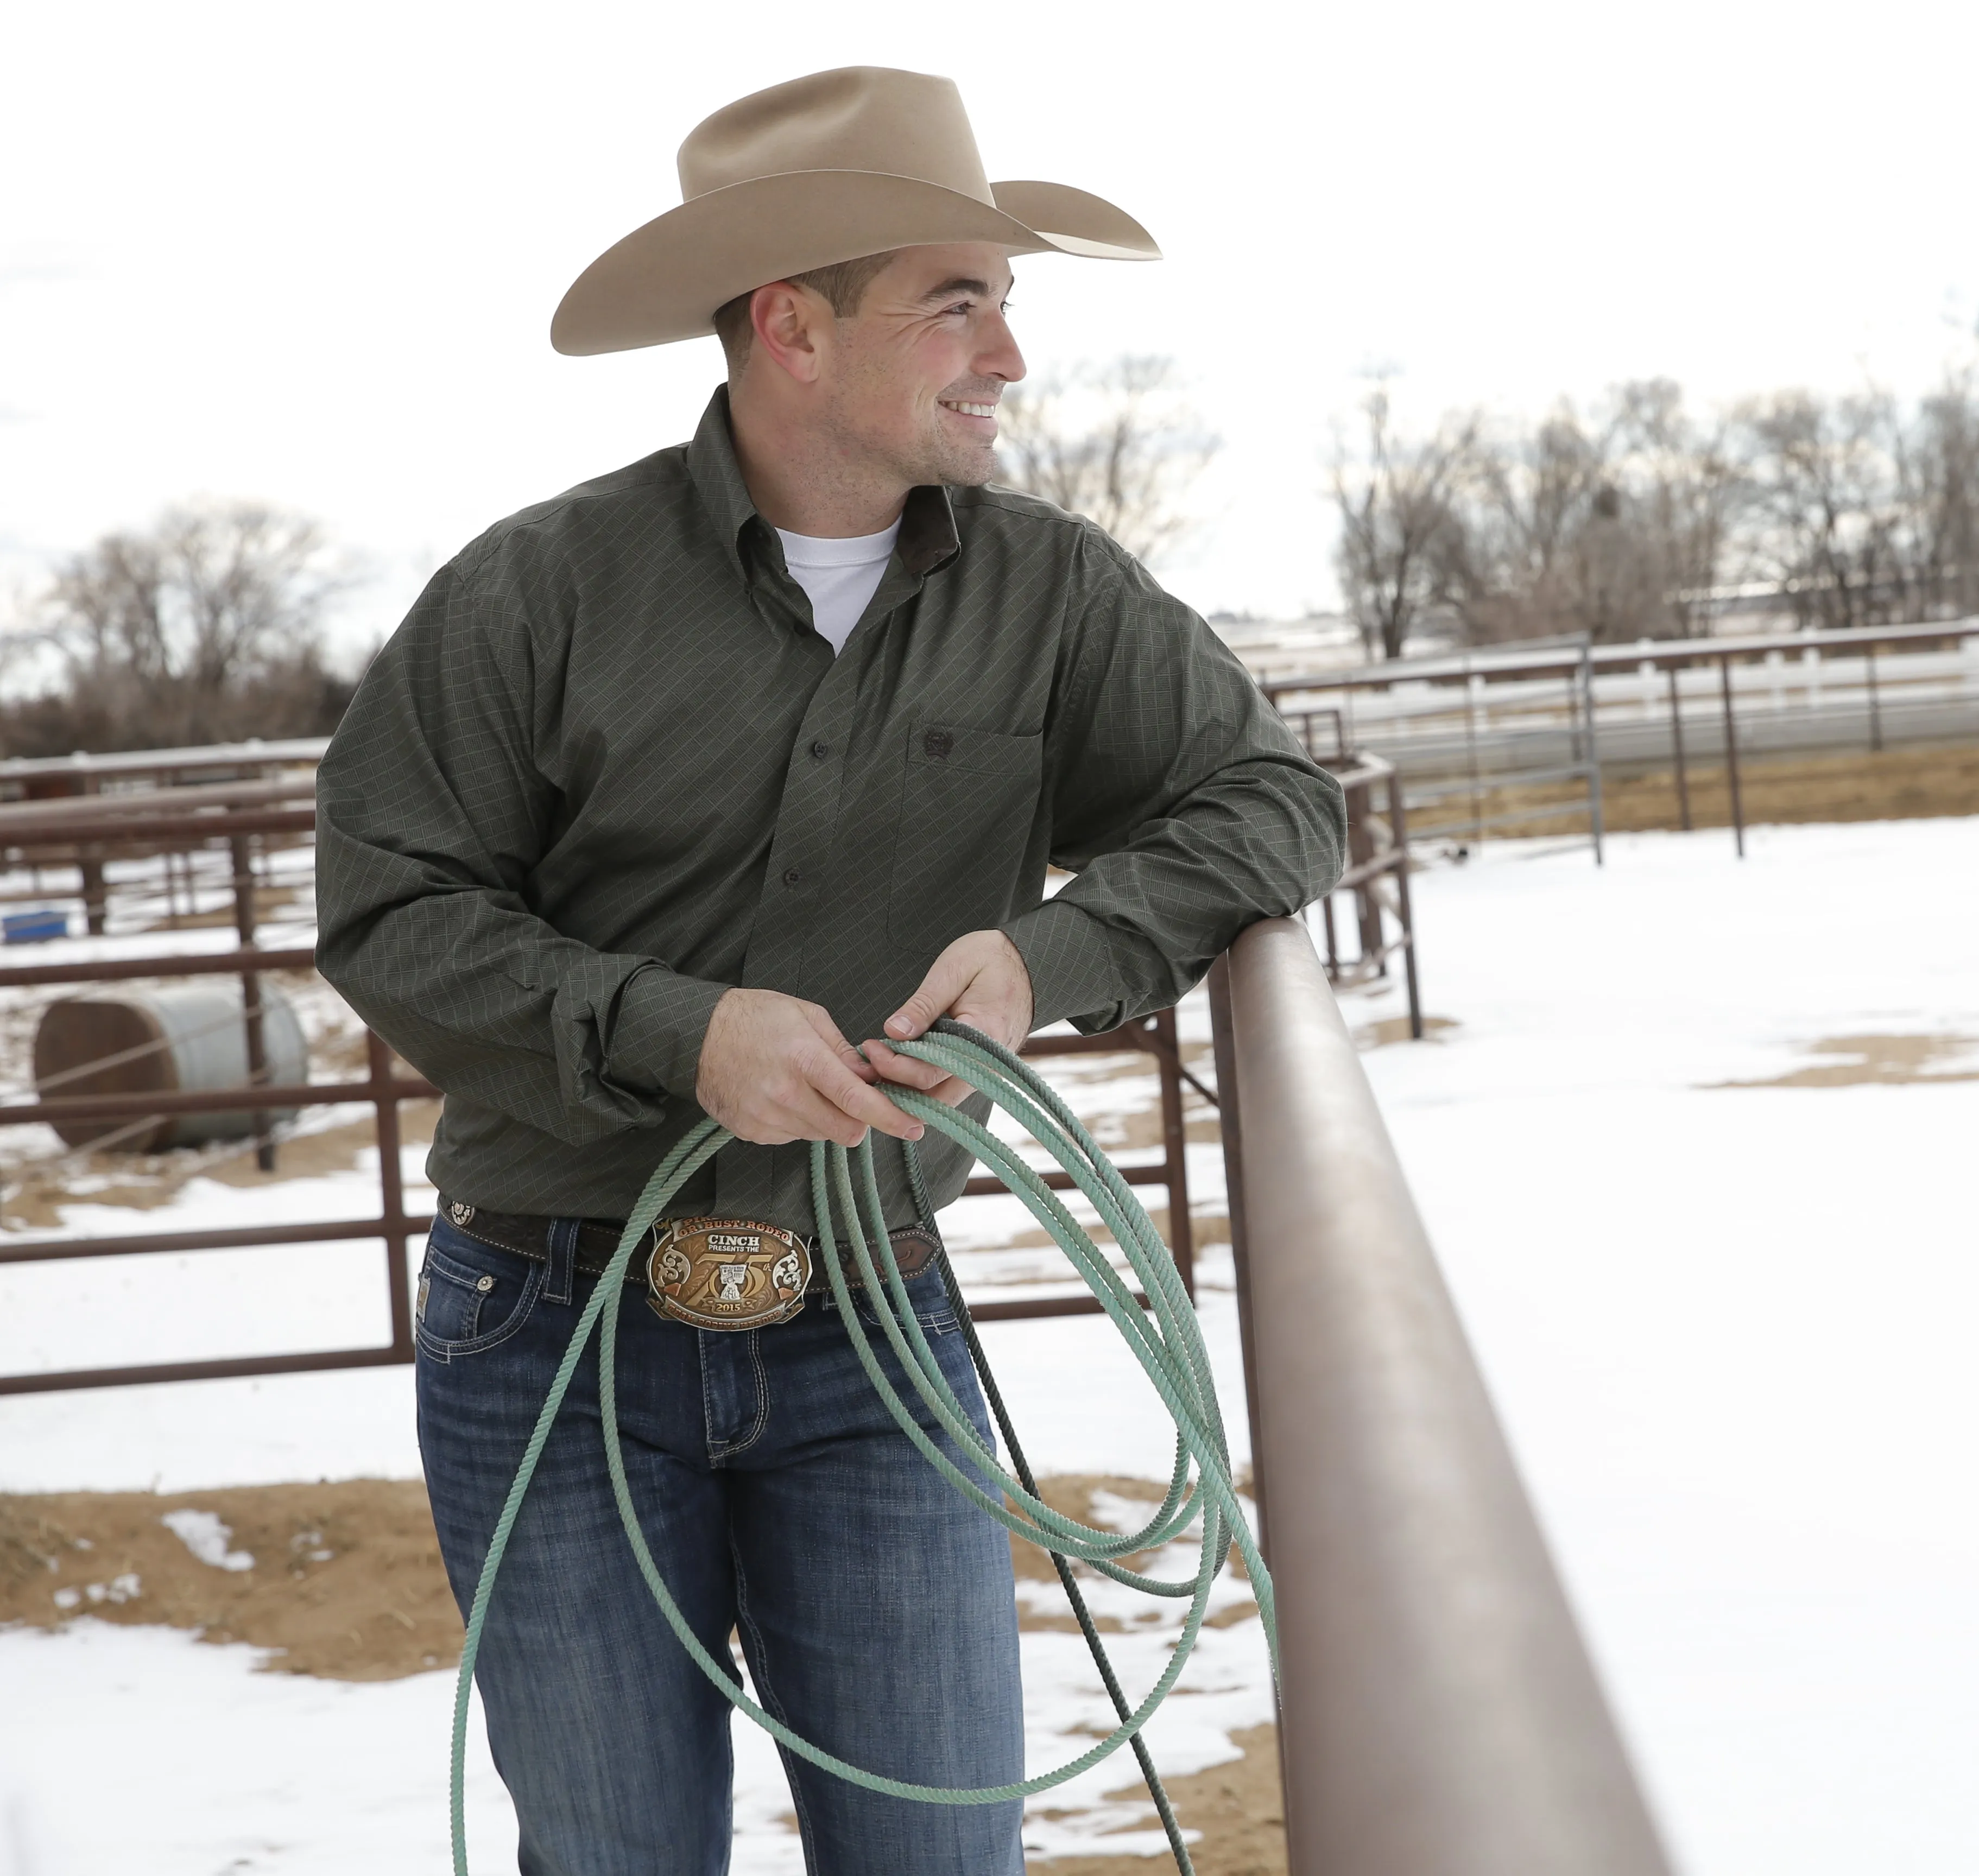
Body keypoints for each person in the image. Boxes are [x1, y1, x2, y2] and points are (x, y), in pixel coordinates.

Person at [314, 66, 1346, 1875]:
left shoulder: (1058, 598)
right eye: (960, 303)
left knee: (942, 1854)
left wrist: (1053, 956)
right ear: (790, 326)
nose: (1008, 357)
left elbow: (1271, 801)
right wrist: (674, 1033)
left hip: (873, 1316)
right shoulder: (533, 595)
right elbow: (391, 910)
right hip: (550, 1329)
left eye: (1005, 306)